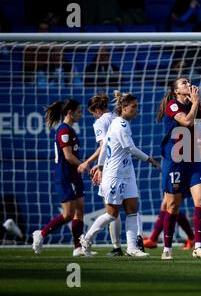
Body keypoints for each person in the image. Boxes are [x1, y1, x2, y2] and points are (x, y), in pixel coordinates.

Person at [80, 90, 160, 257]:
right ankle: (86, 240)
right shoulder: (120, 125)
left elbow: (103, 148)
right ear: (123, 108)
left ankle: (132, 248)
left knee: (132, 209)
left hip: (127, 173)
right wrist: (149, 159)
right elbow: (130, 148)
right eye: (133, 107)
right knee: (111, 214)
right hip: (115, 174)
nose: (136, 110)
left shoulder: (118, 122)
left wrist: (99, 166)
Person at [157, 78, 201, 260]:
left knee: (200, 200)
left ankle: (198, 246)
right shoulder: (173, 106)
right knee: (173, 206)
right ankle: (167, 248)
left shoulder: (194, 105)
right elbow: (187, 122)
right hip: (174, 161)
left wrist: (199, 103)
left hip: (193, 161)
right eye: (183, 83)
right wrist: (195, 104)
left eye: (188, 82)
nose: (188, 84)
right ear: (176, 91)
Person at [78, 92, 133, 257]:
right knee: (130, 208)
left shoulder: (100, 122)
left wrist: (91, 164)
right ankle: (132, 245)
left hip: (110, 168)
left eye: (91, 113)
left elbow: (103, 146)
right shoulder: (116, 116)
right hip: (126, 166)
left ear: (95, 110)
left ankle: (114, 246)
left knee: (111, 209)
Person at [32, 99, 87, 256]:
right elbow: (68, 156)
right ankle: (41, 234)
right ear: (70, 112)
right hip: (64, 176)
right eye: (79, 111)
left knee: (80, 209)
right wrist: (85, 166)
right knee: (68, 214)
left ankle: (78, 247)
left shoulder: (71, 129)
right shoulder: (63, 130)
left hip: (74, 176)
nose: (81, 115)